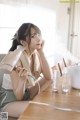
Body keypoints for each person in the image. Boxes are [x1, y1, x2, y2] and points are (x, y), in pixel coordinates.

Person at [0, 23, 53, 117]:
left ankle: (37, 100)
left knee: (49, 81)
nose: (38, 38)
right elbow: (19, 97)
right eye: (33, 36)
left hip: (25, 94)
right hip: (9, 102)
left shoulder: (34, 54)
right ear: (23, 42)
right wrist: (22, 81)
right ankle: (3, 115)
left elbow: (49, 77)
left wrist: (41, 51)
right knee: (39, 110)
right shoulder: (16, 59)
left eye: (38, 34)